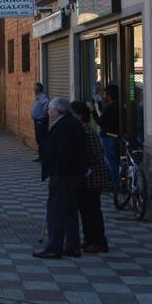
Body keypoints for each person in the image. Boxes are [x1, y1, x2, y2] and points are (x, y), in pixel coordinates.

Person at [34, 98, 86, 259]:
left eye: (49, 109)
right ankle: (72, 245)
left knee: (56, 212)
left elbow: (65, 152)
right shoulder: (70, 123)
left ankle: (54, 247)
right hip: (72, 175)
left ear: (57, 111)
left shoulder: (65, 126)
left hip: (64, 176)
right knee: (70, 211)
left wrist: (56, 171)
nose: (48, 112)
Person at [71, 101, 111, 254]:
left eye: (72, 114)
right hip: (85, 178)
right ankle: (88, 239)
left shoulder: (87, 131)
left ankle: (99, 242)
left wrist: (82, 165)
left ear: (79, 115)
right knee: (85, 211)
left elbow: (95, 155)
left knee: (92, 211)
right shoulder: (81, 130)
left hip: (93, 178)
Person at [93, 84, 120, 179]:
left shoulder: (109, 107)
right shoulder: (119, 105)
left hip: (108, 136)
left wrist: (93, 112)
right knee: (115, 160)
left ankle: (114, 182)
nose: (103, 96)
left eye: (104, 94)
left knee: (111, 161)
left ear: (109, 95)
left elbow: (100, 121)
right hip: (116, 135)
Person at [30, 83, 50, 162]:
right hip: (37, 120)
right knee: (38, 139)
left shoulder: (43, 97)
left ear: (38, 90)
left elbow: (48, 102)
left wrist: (44, 112)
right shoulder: (39, 97)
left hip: (41, 120)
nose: (34, 90)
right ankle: (41, 156)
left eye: (35, 89)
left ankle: (44, 157)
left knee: (42, 139)